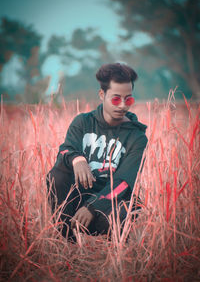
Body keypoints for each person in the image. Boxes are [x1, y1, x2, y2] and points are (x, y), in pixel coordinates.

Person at [46, 62, 148, 241]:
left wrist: (93, 206)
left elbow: (124, 182)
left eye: (128, 99)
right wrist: (77, 158)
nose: (123, 105)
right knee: (56, 175)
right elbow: (64, 150)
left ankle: (115, 255)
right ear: (102, 95)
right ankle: (67, 241)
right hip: (78, 199)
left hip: (110, 203)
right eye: (116, 99)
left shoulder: (137, 138)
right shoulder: (82, 122)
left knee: (127, 209)